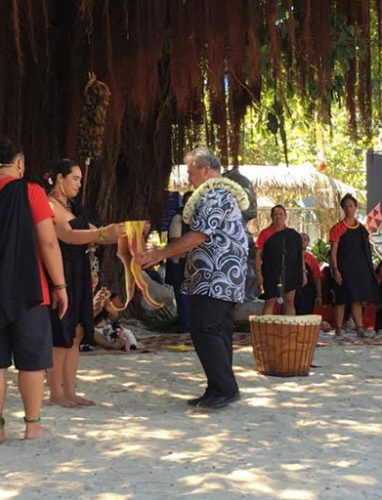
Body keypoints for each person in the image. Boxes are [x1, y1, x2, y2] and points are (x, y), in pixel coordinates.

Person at [138, 147, 249, 409]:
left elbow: (199, 235)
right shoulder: (219, 195)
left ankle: (225, 388)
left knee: (206, 327)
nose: (188, 177)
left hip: (217, 275)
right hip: (218, 275)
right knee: (217, 329)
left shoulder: (214, 196)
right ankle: (217, 387)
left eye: (190, 171)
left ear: (205, 170)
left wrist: (161, 253)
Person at [0, 136, 68, 443]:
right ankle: (33, 424)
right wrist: (61, 285)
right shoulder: (32, 191)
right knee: (31, 361)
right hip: (31, 291)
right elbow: (49, 241)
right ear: (19, 163)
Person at [46, 158, 125, 407]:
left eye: (81, 179)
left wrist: (123, 233)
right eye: (75, 178)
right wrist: (103, 232)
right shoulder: (49, 205)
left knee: (78, 332)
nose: (79, 184)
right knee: (62, 333)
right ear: (60, 178)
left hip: (79, 271)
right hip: (61, 271)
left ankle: (70, 390)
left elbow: (97, 235)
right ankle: (56, 393)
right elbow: (67, 235)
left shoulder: (76, 208)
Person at [330, 193, 379, 337]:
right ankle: (338, 328)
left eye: (351, 206)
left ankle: (360, 328)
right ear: (343, 209)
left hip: (358, 270)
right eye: (346, 206)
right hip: (342, 269)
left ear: (355, 207)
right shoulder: (337, 228)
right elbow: (333, 250)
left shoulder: (362, 229)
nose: (349, 209)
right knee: (341, 299)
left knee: (356, 299)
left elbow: (366, 251)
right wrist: (335, 269)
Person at [255, 205, 306, 315]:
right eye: (275, 214)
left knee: (289, 302)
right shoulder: (265, 233)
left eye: (280, 214)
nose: (278, 217)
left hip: (289, 273)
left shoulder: (293, 235)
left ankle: (290, 331)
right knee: (270, 302)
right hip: (271, 273)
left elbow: (299, 255)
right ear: (271, 217)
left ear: (285, 216)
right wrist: (259, 274)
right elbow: (258, 255)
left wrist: (303, 273)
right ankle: (266, 330)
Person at [165, 191, 193, 333]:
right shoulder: (178, 218)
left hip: (193, 265)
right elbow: (176, 242)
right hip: (180, 263)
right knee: (182, 297)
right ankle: (185, 327)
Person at [294, 233, 322, 314]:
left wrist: (319, 295)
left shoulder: (312, 259)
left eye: (305, 239)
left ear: (307, 243)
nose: (302, 241)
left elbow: (317, 278)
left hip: (308, 293)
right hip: (293, 292)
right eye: (300, 239)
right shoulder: (290, 257)